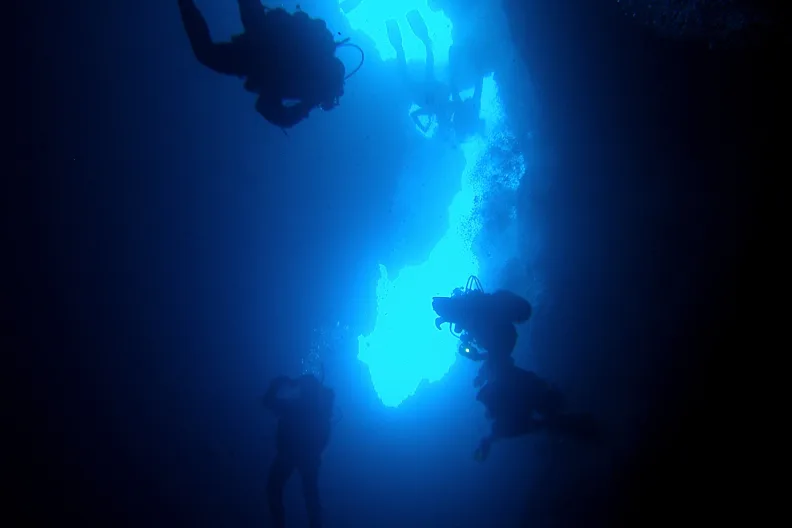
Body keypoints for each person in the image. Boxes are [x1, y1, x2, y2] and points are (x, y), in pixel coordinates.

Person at [177, 0, 347, 128]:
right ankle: (185, 4)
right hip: (257, 55)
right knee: (206, 54)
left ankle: (185, 5)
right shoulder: (312, 92)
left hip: (265, 36)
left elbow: (270, 102)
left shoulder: (316, 76)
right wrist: (306, 106)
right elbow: (270, 108)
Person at [473, 365, 599, 461]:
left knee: (556, 414)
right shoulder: (505, 391)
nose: (488, 412)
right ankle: (585, 425)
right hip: (539, 396)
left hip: (540, 397)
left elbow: (512, 424)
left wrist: (487, 441)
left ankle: (585, 425)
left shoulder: (506, 396)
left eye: (487, 406)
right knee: (556, 417)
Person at [262, 374, 335, 528]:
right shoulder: (315, 411)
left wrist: (277, 383)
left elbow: (267, 402)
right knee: (310, 497)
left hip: (290, 454)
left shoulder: (293, 406)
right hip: (307, 456)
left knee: (275, 488)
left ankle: (279, 524)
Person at [432, 275, 532, 386]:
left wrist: (479, 366)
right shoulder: (507, 332)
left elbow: (496, 355)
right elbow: (497, 356)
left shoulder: (502, 327)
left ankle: (450, 314)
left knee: (462, 314)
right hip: (471, 315)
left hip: (471, 315)